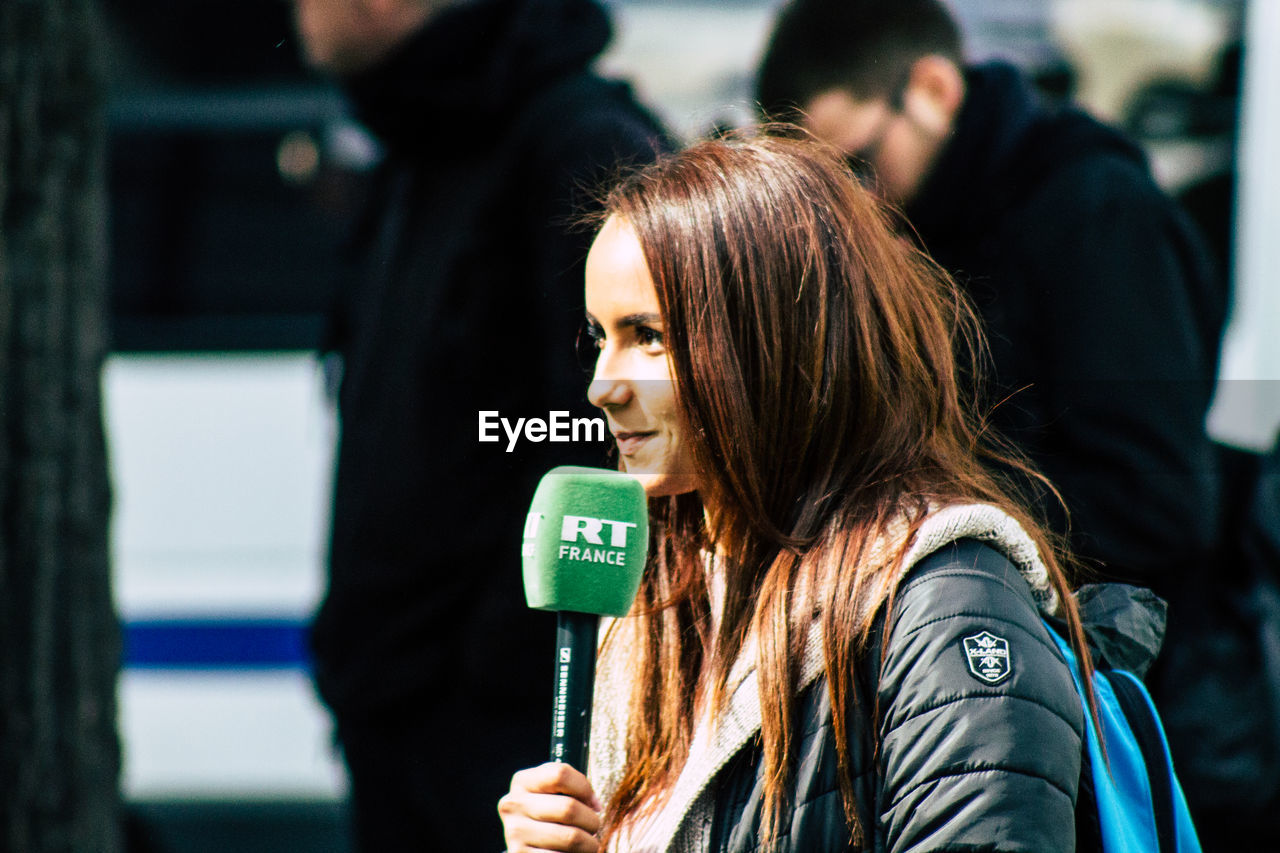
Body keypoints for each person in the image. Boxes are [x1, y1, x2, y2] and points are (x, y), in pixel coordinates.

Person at [497, 133, 1128, 852]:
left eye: (648, 336)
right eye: (596, 337)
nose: (601, 386)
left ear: (775, 343)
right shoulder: (660, 595)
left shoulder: (945, 604)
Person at [287, 0, 667, 849]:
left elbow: (597, 430)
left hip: (502, 737)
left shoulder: (575, 144)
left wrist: (495, 668)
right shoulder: (417, 149)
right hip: (399, 707)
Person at [755, 0, 1225, 592]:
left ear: (934, 89)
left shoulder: (1096, 212)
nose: (854, 208)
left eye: (858, 167)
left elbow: (1156, 505)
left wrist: (914, 506)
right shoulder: (925, 222)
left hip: (1112, 652)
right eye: (821, 190)